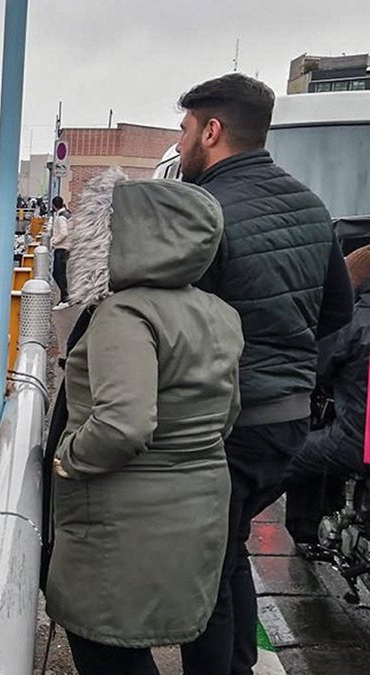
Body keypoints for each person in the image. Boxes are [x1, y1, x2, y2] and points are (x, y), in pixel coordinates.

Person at [174, 73, 354, 675]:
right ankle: (242, 666)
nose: (180, 144)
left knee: (203, 575)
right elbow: (336, 312)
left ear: (213, 130)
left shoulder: (205, 211)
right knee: (228, 554)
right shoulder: (310, 204)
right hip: (289, 425)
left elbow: (178, 323)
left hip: (230, 425)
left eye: (186, 130)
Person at [46, 168, 243, 674]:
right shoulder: (219, 312)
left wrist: (69, 460)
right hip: (197, 509)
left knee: (107, 647)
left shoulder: (125, 315)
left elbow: (123, 425)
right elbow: (228, 414)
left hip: (119, 526)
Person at [283, 244, 370, 528]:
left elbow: (315, 369)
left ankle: (234, 538)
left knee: (280, 458)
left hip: (357, 442)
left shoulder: (355, 321)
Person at [50, 195, 71, 305]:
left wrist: (54, 241)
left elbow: (64, 233)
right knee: (61, 273)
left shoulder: (61, 217)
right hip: (66, 247)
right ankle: (64, 296)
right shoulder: (67, 214)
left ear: (53, 206)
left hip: (61, 248)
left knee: (57, 273)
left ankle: (65, 296)